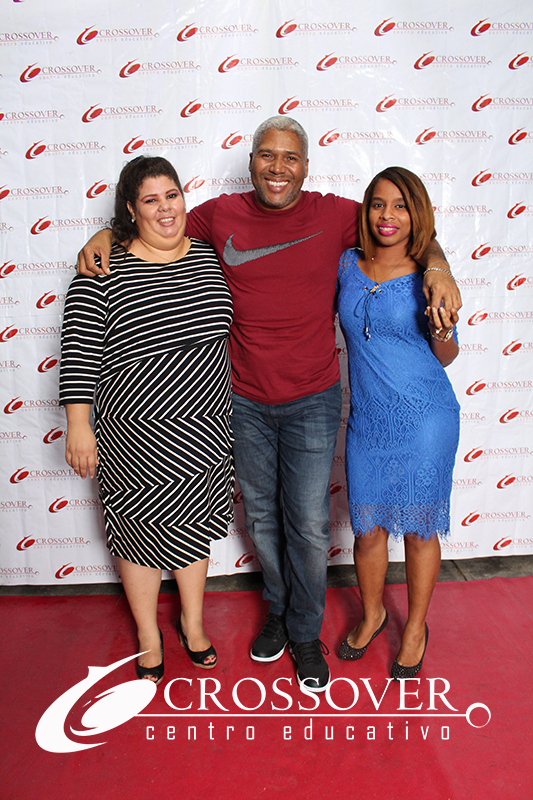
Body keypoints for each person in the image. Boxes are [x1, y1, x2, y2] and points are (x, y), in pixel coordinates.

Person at [76, 117, 462, 692]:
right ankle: (277, 612)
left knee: (307, 524)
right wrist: (103, 236)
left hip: (313, 398)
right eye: (267, 155)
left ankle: (305, 632)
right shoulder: (218, 215)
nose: (277, 167)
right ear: (252, 161)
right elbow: (156, 222)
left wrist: (439, 265)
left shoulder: (336, 214)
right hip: (242, 400)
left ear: (306, 167)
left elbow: (403, 225)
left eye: (290, 157)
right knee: (260, 519)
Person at [60, 156, 234, 683]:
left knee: (195, 530)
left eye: (172, 195)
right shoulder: (102, 269)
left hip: (206, 431)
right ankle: (147, 635)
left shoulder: (209, 255)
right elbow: (79, 352)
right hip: (135, 438)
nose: (165, 208)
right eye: (150, 200)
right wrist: (78, 425)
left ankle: (192, 623)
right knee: (139, 538)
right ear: (131, 211)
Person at [336, 166, 460, 679]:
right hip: (367, 420)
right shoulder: (347, 263)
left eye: (401, 206)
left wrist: (442, 328)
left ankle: (415, 630)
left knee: (419, 532)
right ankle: (373, 614)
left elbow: (447, 357)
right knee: (367, 532)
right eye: (378, 204)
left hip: (425, 419)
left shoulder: (428, 276)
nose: (388, 215)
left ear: (418, 214)